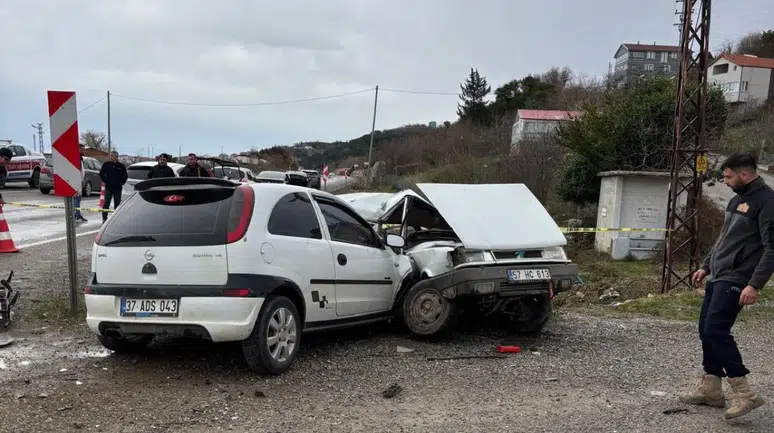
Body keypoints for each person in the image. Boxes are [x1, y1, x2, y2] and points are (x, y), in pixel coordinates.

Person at [680, 151, 774, 419]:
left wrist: (754, 285)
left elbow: (771, 249)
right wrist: (706, 265)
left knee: (716, 331)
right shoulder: (736, 201)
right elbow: (724, 239)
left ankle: (746, 394)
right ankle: (711, 389)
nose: (726, 181)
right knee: (705, 330)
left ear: (745, 175)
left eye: (729, 176)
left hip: (738, 278)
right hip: (718, 275)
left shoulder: (767, 203)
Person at [99, 151, 128, 223]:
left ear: (116, 157)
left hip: (118, 188)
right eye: (110, 156)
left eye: (112, 156)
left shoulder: (121, 166)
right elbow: (101, 173)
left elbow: (125, 176)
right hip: (108, 187)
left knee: (117, 204)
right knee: (106, 203)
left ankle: (116, 219)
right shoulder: (106, 164)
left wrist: (121, 183)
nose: (110, 157)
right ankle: (104, 218)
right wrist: (105, 180)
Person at [73, 153, 87, 223]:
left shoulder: (80, 158)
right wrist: (80, 180)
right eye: (82, 149)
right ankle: (76, 215)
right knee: (77, 198)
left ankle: (77, 214)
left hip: (78, 180)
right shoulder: (76, 159)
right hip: (77, 181)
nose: (84, 151)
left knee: (77, 199)